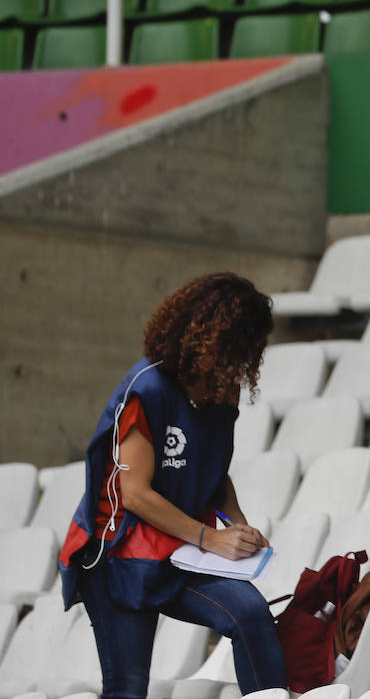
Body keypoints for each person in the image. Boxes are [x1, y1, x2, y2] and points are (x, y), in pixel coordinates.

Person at [58, 272, 286, 699]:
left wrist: (237, 524)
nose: (240, 362)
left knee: (250, 614)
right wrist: (210, 538)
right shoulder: (148, 387)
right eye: (236, 348)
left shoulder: (223, 392)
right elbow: (135, 493)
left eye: (247, 351)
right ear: (204, 336)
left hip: (181, 551)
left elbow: (213, 471)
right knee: (127, 687)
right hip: (119, 555)